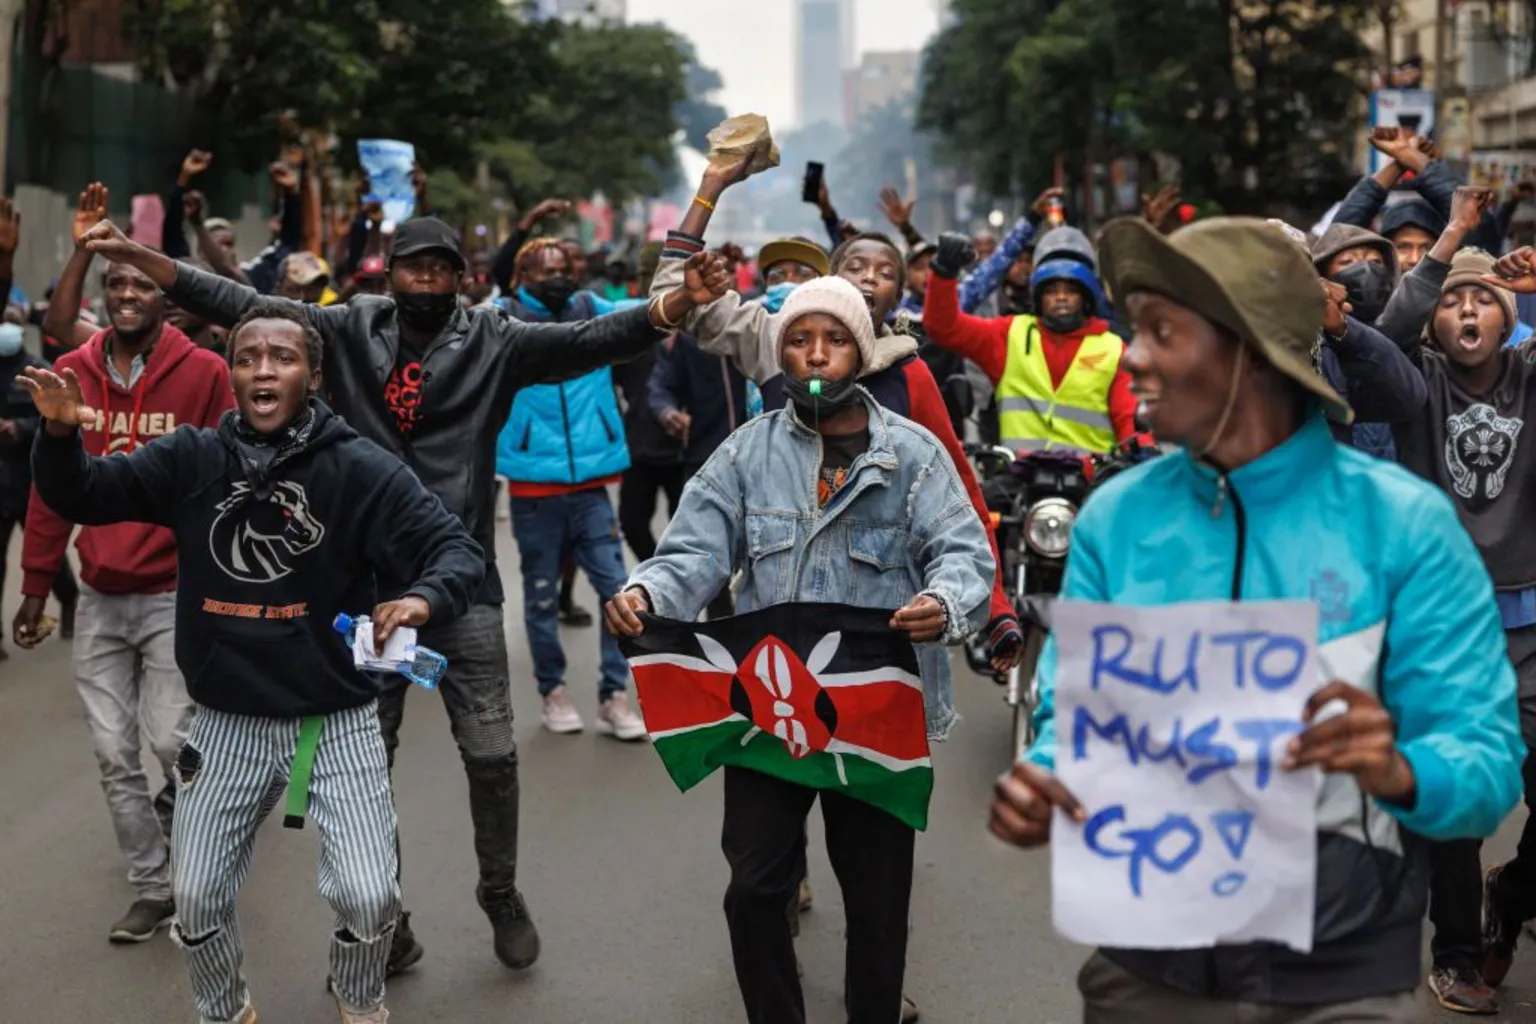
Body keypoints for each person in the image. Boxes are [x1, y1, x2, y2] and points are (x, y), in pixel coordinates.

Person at [78, 207, 718, 973]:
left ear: (462, 278)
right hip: (362, 597)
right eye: (413, 266)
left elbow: (590, 342)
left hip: (461, 584)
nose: (425, 280)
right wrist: (129, 252)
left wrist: (671, 305)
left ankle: (501, 893)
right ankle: (389, 916)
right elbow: (233, 302)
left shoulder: (496, 339)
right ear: (390, 271)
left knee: (490, 753)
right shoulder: (347, 329)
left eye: (440, 269)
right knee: (362, 768)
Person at [989, 216, 1524, 1022]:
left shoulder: (1404, 527)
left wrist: (1400, 770)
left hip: (1342, 975)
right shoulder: (1116, 521)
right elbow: (1077, 713)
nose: (1131, 356)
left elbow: (1485, 766)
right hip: (1146, 974)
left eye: (1163, 332)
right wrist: (1049, 771)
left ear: (1246, 353)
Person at [20, 302, 485, 1024]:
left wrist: (422, 599)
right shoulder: (191, 459)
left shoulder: (359, 469)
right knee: (197, 899)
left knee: (371, 897)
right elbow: (83, 491)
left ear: (314, 375)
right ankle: (223, 1008)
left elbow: (456, 550)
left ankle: (359, 997)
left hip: (334, 722)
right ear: (232, 374)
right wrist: (56, 433)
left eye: (283, 357)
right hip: (226, 723)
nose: (264, 369)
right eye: (248, 358)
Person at [606, 276, 996, 1024]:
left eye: (833, 339)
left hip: (877, 714)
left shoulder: (911, 454)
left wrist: (942, 602)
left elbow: (966, 556)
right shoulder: (745, 452)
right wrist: (647, 595)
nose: (815, 355)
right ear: (780, 351)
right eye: (798, 339)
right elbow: (691, 553)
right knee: (755, 888)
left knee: (878, 902)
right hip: (767, 708)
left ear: (862, 350)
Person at [652, 154, 1021, 682]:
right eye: (855, 268)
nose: (817, 357)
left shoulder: (911, 380)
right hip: (776, 637)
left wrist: (990, 606)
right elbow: (673, 303)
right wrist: (710, 188)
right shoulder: (770, 344)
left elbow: (958, 503)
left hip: (876, 651)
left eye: (886, 271)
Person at [14, 184, 233, 945]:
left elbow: (229, 480)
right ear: (105, 297)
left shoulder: (205, 373)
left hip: (177, 591)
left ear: (167, 300)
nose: (130, 294)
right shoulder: (73, 369)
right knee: (113, 753)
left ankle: (206, 847)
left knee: (174, 743)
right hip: (103, 594)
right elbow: (52, 488)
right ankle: (154, 885)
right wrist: (38, 586)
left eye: (144, 282)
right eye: (118, 284)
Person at [1378, 245, 1536, 1011]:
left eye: (1484, 300)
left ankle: (1513, 895)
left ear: (1509, 318)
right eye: (1452, 302)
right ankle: (1458, 953)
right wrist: (1444, 255)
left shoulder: (1531, 377)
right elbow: (1384, 331)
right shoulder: (1415, 387)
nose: (1466, 311)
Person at [495, 237, 675, 739]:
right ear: (520, 277)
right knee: (538, 599)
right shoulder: (500, 318)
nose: (556, 276)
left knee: (616, 592)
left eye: (563, 267)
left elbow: (653, 310)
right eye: (543, 269)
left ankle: (613, 697)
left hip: (593, 486)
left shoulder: (591, 307)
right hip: (532, 489)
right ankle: (552, 691)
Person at [922, 231, 1141, 455]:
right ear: (1038, 297)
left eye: (1071, 291)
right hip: (1019, 482)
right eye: (1051, 291)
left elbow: (1130, 420)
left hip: (1094, 483)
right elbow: (943, 327)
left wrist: (1142, 453)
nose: (1061, 297)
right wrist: (943, 272)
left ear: (1086, 297)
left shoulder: (1113, 348)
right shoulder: (1009, 335)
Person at [0, 304, 79, 661]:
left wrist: (19, 429)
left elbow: (56, 420)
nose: (6, 329)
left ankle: (69, 601)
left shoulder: (39, 371)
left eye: (12, 324)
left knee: (48, 553)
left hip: (31, 479)